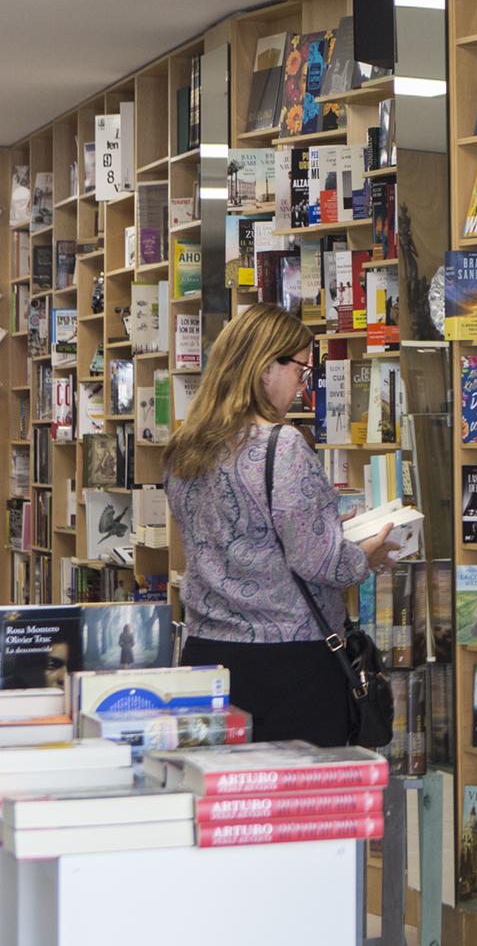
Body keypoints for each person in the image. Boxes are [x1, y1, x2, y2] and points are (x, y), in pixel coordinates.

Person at [163, 304, 394, 746]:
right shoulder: (281, 445)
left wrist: (326, 527)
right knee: (295, 806)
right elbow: (324, 564)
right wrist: (367, 551)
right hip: (288, 664)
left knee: (227, 801)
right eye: (301, 371)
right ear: (266, 366)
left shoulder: (184, 447)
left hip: (206, 656)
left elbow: (235, 540)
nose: (303, 387)